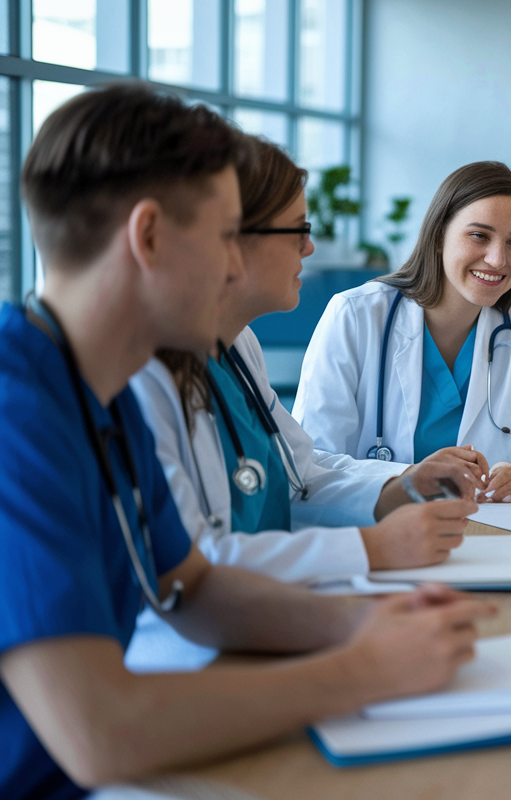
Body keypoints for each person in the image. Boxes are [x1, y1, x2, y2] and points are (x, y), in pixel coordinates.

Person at [0, 84, 495, 800]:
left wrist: (362, 622)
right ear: (148, 237)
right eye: (228, 236)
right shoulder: (19, 415)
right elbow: (100, 735)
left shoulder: (94, 392)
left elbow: (191, 585)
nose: (237, 268)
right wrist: (362, 670)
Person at [131, 136, 476, 584]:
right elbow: (190, 567)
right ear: (233, 241)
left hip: (273, 605)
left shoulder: (238, 347)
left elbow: (299, 474)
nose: (309, 249)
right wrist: (371, 548)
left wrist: (403, 485)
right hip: (213, 637)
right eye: (298, 230)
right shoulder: (144, 378)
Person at [294, 161, 511, 503]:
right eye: (479, 236)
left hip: (491, 525)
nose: (498, 259)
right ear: (440, 235)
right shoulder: (355, 315)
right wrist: (409, 478)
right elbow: (311, 461)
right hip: (380, 526)